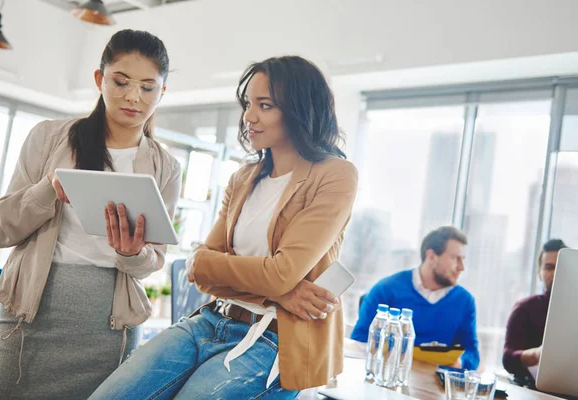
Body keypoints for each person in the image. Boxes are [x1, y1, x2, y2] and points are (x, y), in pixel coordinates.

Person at [89, 55, 359, 399]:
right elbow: (198, 268)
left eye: (265, 105)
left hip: (275, 339)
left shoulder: (335, 174)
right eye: (248, 104)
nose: (249, 116)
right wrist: (280, 292)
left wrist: (263, 280)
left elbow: (280, 272)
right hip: (211, 320)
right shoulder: (243, 177)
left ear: (300, 111)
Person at [0, 29, 181, 400]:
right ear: (99, 79)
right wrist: (46, 189)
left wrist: (130, 253)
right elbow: (0, 230)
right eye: (120, 82)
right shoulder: (48, 138)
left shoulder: (165, 166)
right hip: (29, 317)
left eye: (147, 87)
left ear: (162, 93)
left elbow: (153, 261)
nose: (132, 97)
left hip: (107, 329)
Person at [351, 226, 480, 370]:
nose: (461, 267)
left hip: (433, 385)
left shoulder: (465, 301)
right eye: (455, 259)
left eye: (462, 259)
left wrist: (460, 362)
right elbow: (358, 341)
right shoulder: (386, 289)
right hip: (389, 376)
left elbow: (472, 353)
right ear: (431, 257)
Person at [503, 239, 567, 385]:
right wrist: (534, 355)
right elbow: (508, 359)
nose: (556, 273)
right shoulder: (524, 308)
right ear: (539, 273)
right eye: (549, 267)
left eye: (561, 267)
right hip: (531, 389)